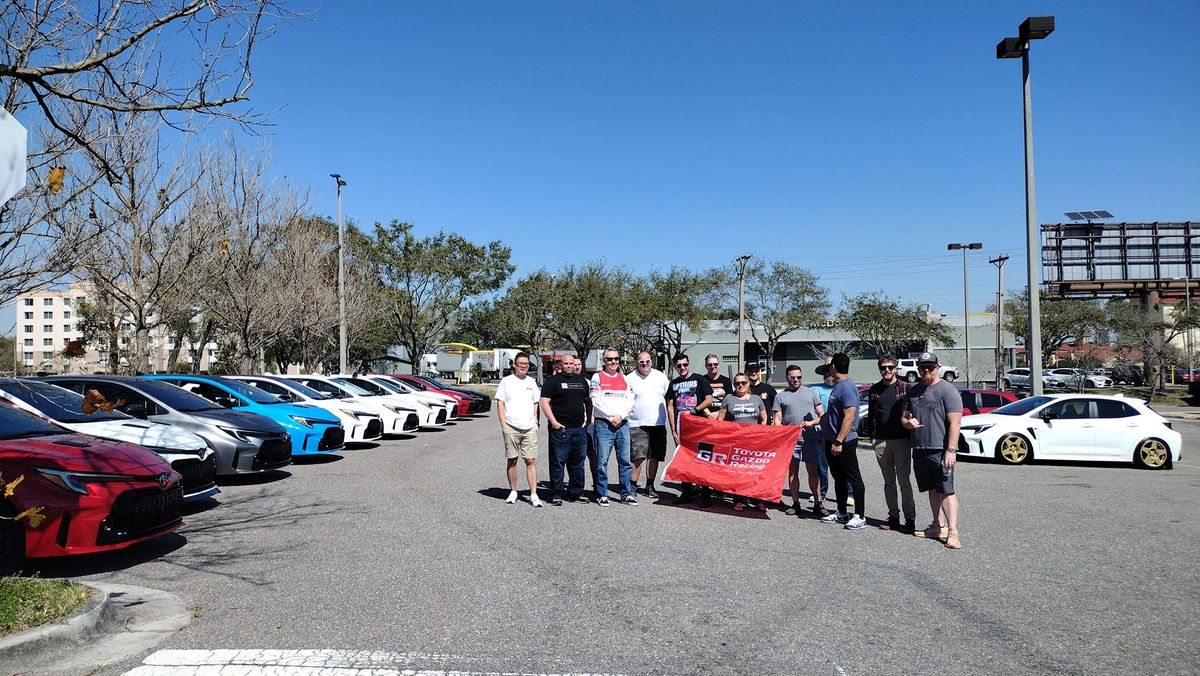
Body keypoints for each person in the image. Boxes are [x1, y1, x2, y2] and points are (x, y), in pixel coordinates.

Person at [902, 351, 964, 549]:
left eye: (930, 367)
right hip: (920, 448)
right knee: (931, 489)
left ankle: (953, 532)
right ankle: (937, 526)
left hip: (940, 449)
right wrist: (907, 423)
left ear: (937, 367)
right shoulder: (913, 391)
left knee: (947, 490)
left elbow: (955, 422)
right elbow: (904, 418)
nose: (926, 370)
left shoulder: (948, 390)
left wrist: (951, 450)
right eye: (922, 368)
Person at [818, 353, 867, 530]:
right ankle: (841, 513)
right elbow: (831, 416)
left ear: (833, 367)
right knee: (839, 478)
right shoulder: (839, 386)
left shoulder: (846, 387)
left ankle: (860, 516)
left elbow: (849, 417)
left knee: (854, 479)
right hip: (832, 440)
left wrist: (838, 441)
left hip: (844, 442)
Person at [867, 354, 915, 533]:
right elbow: (872, 415)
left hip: (901, 440)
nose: (887, 370)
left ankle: (910, 518)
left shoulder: (906, 387)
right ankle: (893, 516)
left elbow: (912, 412)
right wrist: (873, 438)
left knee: (904, 482)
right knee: (889, 482)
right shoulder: (874, 390)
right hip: (881, 441)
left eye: (890, 367)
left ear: (896, 369)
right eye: (883, 367)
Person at [539, 353, 592, 506]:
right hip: (560, 430)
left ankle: (576, 492)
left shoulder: (582, 381)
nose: (569, 366)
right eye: (566, 364)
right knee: (558, 462)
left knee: (578, 462)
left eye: (571, 364)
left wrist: (587, 420)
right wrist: (554, 422)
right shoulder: (553, 381)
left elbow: (588, 402)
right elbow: (544, 402)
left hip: (579, 429)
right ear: (560, 365)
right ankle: (557, 493)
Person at [772, 365, 824, 516]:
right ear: (787, 378)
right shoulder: (780, 396)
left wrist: (811, 423)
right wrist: (781, 434)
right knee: (793, 472)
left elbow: (822, 415)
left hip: (810, 439)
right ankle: (795, 504)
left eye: (799, 377)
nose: (796, 380)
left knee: (813, 472)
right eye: (792, 377)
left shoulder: (811, 393)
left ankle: (817, 503)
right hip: (791, 441)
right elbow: (777, 419)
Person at [495, 351, 542, 507]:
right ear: (514, 365)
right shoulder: (506, 381)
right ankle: (513, 491)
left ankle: (533, 494)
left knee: (530, 460)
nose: (523, 366)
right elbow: (500, 402)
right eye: (520, 364)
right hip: (511, 426)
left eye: (526, 364)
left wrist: (536, 422)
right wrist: (504, 424)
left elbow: (536, 403)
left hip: (529, 427)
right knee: (512, 460)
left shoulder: (531, 382)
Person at [665, 353, 714, 506]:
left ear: (689, 363)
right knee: (684, 461)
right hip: (682, 429)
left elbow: (709, 399)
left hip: (700, 427)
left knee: (702, 460)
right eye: (679, 365)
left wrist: (693, 410)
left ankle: (706, 495)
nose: (682, 368)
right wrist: (673, 430)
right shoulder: (673, 383)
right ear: (675, 366)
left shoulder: (700, 379)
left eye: (685, 364)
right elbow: (671, 407)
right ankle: (686, 493)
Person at [590, 347, 636, 505]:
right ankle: (602, 493)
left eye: (616, 359)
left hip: (622, 424)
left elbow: (630, 400)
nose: (613, 362)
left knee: (624, 461)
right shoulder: (597, 377)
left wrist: (620, 416)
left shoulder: (624, 378)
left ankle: (626, 493)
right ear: (604, 361)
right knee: (602, 462)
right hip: (604, 425)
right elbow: (595, 400)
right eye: (609, 359)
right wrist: (611, 417)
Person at [718, 373, 768, 511]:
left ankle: (757, 499)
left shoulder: (756, 399)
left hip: (754, 442)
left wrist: (760, 433)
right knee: (738, 471)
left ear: (748, 384)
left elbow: (764, 418)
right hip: (736, 442)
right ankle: (738, 499)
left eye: (743, 383)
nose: (740, 385)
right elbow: (720, 421)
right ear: (734, 385)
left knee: (755, 470)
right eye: (737, 383)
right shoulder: (729, 398)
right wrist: (725, 436)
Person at [628, 351, 670, 498]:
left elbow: (668, 398)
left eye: (647, 362)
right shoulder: (630, 379)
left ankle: (649, 486)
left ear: (651, 362)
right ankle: (632, 486)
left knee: (654, 456)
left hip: (658, 423)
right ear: (637, 363)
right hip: (637, 423)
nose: (644, 364)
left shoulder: (661, 377)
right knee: (637, 457)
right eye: (641, 362)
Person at [702, 354, 732, 419]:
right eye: (710, 365)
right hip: (706, 416)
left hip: (722, 416)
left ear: (719, 365)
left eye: (715, 364)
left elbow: (729, 400)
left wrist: (718, 414)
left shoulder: (726, 381)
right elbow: (699, 400)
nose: (713, 366)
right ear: (706, 366)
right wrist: (709, 414)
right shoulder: (701, 380)